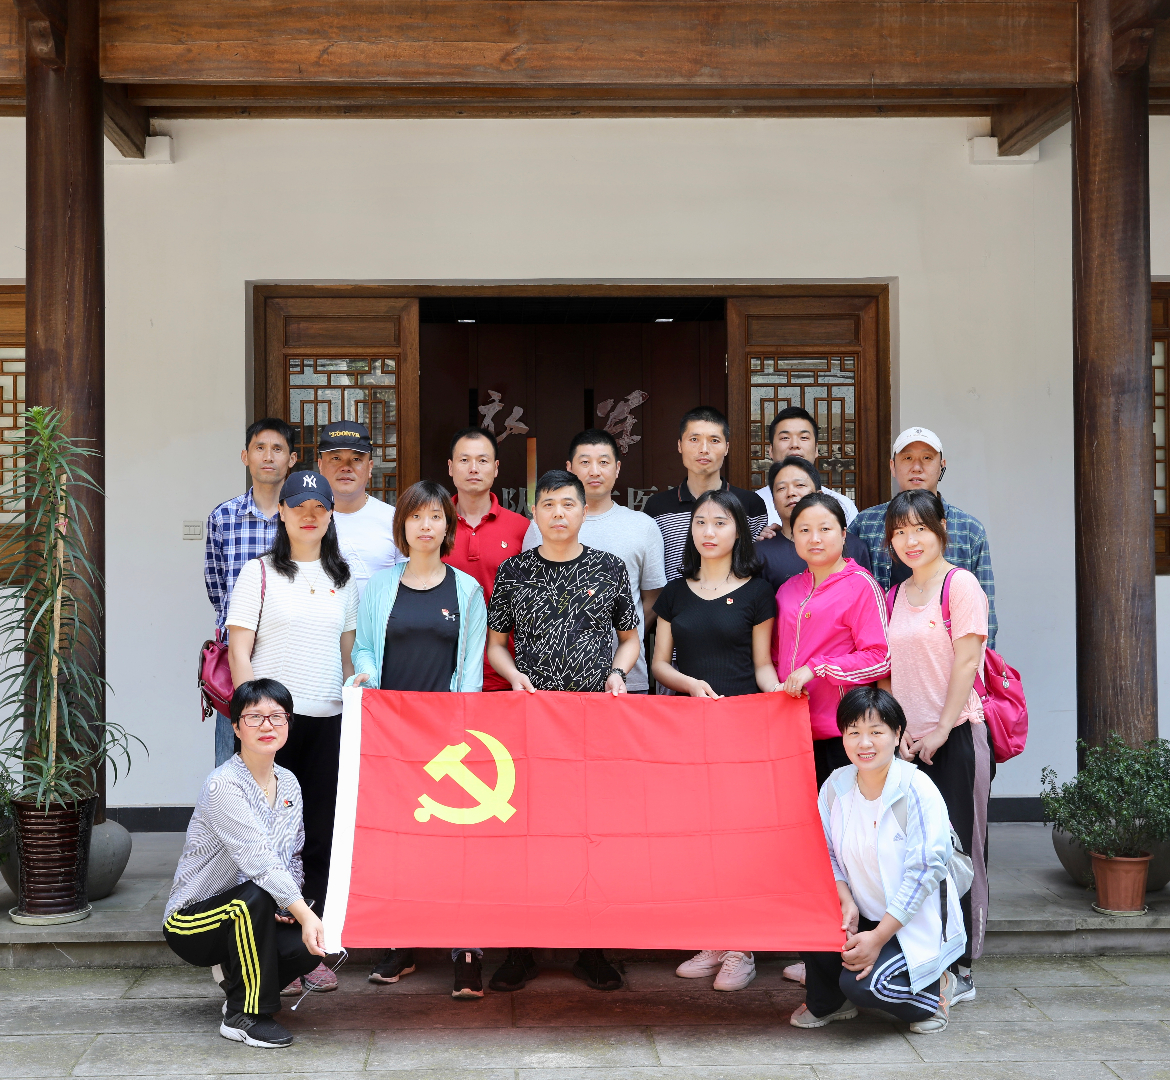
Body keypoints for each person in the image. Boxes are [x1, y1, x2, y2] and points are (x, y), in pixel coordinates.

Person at [486, 469, 640, 993]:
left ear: (583, 511)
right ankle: (520, 951)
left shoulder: (608, 567)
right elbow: (496, 645)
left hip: (593, 722)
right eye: (548, 504)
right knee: (525, 834)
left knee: (589, 833)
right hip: (530, 723)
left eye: (567, 504)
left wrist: (618, 673)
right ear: (535, 512)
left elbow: (630, 637)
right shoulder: (514, 571)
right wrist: (513, 677)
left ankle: (590, 949)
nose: (558, 513)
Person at [348, 480, 489, 999]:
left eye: (435, 517)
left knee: (458, 845)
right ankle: (401, 943)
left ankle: (466, 950)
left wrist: (461, 726)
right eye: (416, 516)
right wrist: (366, 676)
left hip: (449, 737)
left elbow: (470, 667)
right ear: (402, 525)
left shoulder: (466, 590)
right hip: (393, 733)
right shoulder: (381, 586)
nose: (425, 526)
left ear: (447, 527)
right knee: (398, 840)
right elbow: (364, 648)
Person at [225, 470, 358, 995]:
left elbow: (348, 656)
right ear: (281, 512)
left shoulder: (343, 578)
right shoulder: (257, 573)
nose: (309, 515)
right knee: (268, 838)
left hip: (328, 721)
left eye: (319, 507)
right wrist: (251, 716)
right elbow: (239, 650)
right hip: (271, 726)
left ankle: (311, 949)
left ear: (330, 515)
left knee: (319, 836)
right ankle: (264, 945)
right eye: (298, 506)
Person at [653, 489, 783, 993]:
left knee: (740, 837)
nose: (709, 531)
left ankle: (741, 948)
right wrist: (689, 685)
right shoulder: (674, 592)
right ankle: (712, 937)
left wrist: (781, 696)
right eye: (701, 522)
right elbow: (660, 663)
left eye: (721, 523)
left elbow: (763, 666)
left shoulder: (758, 593)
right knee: (698, 835)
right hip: (688, 728)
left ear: (738, 532)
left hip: (742, 728)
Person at [163, 679, 327, 1049]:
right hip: (193, 919)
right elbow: (259, 862)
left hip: (254, 909)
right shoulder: (223, 785)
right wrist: (299, 911)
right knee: (254, 896)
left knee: (306, 945)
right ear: (236, 727)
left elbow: (292, 856)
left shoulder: (289, 783)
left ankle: (237, 988)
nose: (267, 725)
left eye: (277, 716)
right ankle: (244, 1016)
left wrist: (287, 906)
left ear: (288, 723)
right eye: (254, 717)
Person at [790, 686, 961, 1035]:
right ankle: (831, 1002)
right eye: (853, 732)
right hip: (862, 914)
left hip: (909, 923)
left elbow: (924, 873)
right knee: (802, 917)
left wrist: (879, 937)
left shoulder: (917, 789)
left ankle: (936, 991)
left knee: (866, 986)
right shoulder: (836, 786)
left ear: (897, 734)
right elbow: (826, 853)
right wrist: (845, 900)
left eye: (876, 732)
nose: (864, 743)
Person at [883, 488, 992, 1005]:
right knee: (914, 854)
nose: (911, 540)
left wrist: (943, 728)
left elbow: (967, 661)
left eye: (920, 528)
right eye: (900, 531)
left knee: (960, 852)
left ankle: (962, 965)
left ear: (941, 530)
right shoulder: (892, 595)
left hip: (956, 735)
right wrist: (898, 728)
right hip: (907, 744)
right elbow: (885, 670)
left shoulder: (960, 585)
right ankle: (925, 953)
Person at [522, 428, 666, 694]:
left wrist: (623, 631)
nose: (594, 471)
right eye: (585, 462)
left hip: (626, 680)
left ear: (617, 468)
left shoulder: (643, 526)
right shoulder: (541, 526)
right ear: (569, 468)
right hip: (552, 681)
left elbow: (653, 596)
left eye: (603, 462)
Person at [773, 493, 890, 788]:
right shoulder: (787, 591)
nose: (815, 538)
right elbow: (775, 657)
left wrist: (817, 668)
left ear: (843, 533)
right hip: (792, 731)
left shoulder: (861, 586)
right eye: (804, 530)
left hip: (843, 732)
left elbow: (881, 657)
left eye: (825, 529)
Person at [204, 418, 298, 766]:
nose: (268, 457)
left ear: (292, 459)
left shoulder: (301, 517)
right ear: (245, 456)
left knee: (289, 760)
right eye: (260, 448)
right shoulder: (223, 517)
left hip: (288, 654)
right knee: (232, 759)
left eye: (277, 449)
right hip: (235, 659)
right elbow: (217, 587)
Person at [849, 426, 997, 647]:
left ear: (942, 466)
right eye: (907, 458)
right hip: (880, 652)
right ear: (893, 466)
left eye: (927, 458)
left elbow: (986, 615)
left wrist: (979, 663)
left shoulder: (969, 530)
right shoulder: (865, 523)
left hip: (949, 655)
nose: (916, 467)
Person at [443, 427, 531, 690]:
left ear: (495, 468)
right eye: (464, 460)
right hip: (444, 668)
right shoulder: (433, 525)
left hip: (506, 671)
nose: (473, 468)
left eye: (482, 460)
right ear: (450, 467)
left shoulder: (522, 528)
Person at [644, 406, 768, 582]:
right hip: (673, 599)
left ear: (726, 447)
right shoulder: (657, 506)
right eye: (694, 439)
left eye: (714, 440)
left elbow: (755, 563)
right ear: (680, 445)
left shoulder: (750, 504)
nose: (704, 449)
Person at [756, 457, 872, 595]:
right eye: (781, 488)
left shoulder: (855, 546)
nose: (791, 493)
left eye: (800, 485)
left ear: (819, 495)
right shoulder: (761, 553)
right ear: (774, 503)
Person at [315, 421, 405, 598]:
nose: (345, 467)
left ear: (370, 467)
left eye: (356, 459)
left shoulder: (394, 519)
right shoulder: (306, 519)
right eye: (336, 458)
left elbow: (410, 583)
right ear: (320, 465)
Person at [756, 407, 858, 527]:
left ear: (816, 449)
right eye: (785, 438)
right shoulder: (752, 505)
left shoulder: (843, 505)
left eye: (804, 437)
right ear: (771, 450)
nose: (794, 445)